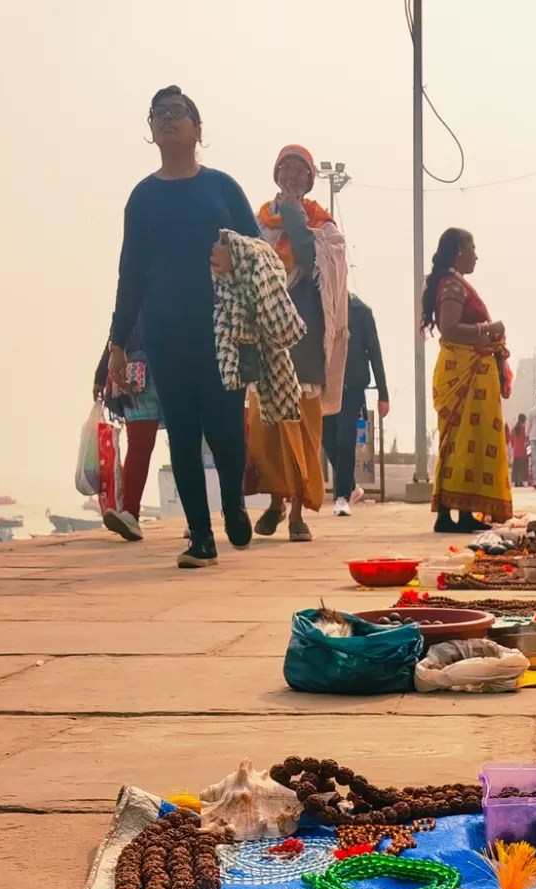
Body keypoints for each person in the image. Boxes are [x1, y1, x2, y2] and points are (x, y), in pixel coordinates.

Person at [108, 86, 259, 568]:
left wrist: (232, 255)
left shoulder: (222, 187)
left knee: (226, 432)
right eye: (159, 114)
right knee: (184, 435)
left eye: (178, 113)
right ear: (150, 130)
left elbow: (259, 252)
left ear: (198, 128)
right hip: (165, 334)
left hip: (221, 331)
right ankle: (200, 537)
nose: (168, 119)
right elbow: (129, 271)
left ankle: (233, 502)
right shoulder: (143, 197)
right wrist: (117, 342)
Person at [248, 144, 349, 542]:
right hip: (266, 339)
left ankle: (296, 512)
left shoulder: (323, 227)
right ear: (275, 175)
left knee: (302, 424)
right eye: (286, 169)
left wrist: (293, 215)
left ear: (310, 181)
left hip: (304, 340)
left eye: (300, 172)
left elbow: (311, 260)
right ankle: (275, 500)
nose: (292, 176)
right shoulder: (257, 223)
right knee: (267, 426)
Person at [421, 226, 512, 532]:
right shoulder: (452, 286)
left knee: (471, 441)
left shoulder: (456, 283)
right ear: (459, 252)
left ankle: (464, 513)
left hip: (472, 372)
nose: (476, 255)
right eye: (472, 248)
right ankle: (449, 514)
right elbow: (449, 328)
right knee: (461, 442)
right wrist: (487, 329)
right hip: (463, 372)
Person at [322, 294, 388, 516]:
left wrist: (383, 393)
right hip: (327, 387)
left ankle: (342, 497)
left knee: (346, 440)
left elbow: (375, 352)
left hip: (353, 387)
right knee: (328, 439)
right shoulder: (321, 304)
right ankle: (350, 485)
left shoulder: (361, 311)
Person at [93, 324, 160, 541]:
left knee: (182, 442)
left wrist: (100, 374)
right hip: (139, 374)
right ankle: (130, 513)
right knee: (146, 444)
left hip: (148, 369)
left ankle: (195, 518)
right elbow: (118, 328)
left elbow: (119, 325)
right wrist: (101, 374)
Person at [509, 415, 530, 489]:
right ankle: (520, 481)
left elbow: (511, 440)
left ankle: (516, 481)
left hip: (516, 451)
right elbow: (527, 439)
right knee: (522, 467)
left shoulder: (513, 429)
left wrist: (514, 447)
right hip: (523, 450)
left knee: (516, 467)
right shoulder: (524, 428)